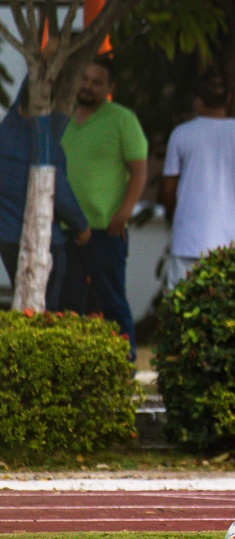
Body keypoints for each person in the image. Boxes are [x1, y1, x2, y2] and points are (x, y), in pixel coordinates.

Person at [60, 56, 147, 361]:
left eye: (97, 82)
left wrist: (123, 214)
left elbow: (138, 170)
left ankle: (126, 362)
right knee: (67, 303)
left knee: (111, 302)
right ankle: (73, 364)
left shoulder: (122, 120)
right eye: (84, 79)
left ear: (110, 87)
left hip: (105, 229)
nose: (88, 86)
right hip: (64, 230)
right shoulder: (63, 118)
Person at [161, 73, 235, 291]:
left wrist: (176, 214)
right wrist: (231, 211)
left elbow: (169, 188)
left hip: (188, 241)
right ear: (229, 99)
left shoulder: (181, 134)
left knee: (181, 308)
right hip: (233, 242)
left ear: (197, 101)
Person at [0, 79, 90, 310]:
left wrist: (44, 59)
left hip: (7, 237)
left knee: (22, 303)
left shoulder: (7, 129)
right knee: (42, 308)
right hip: (43, 240)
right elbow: (60, 195)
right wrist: (81, 226)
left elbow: (28, 91)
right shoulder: (45, 145)